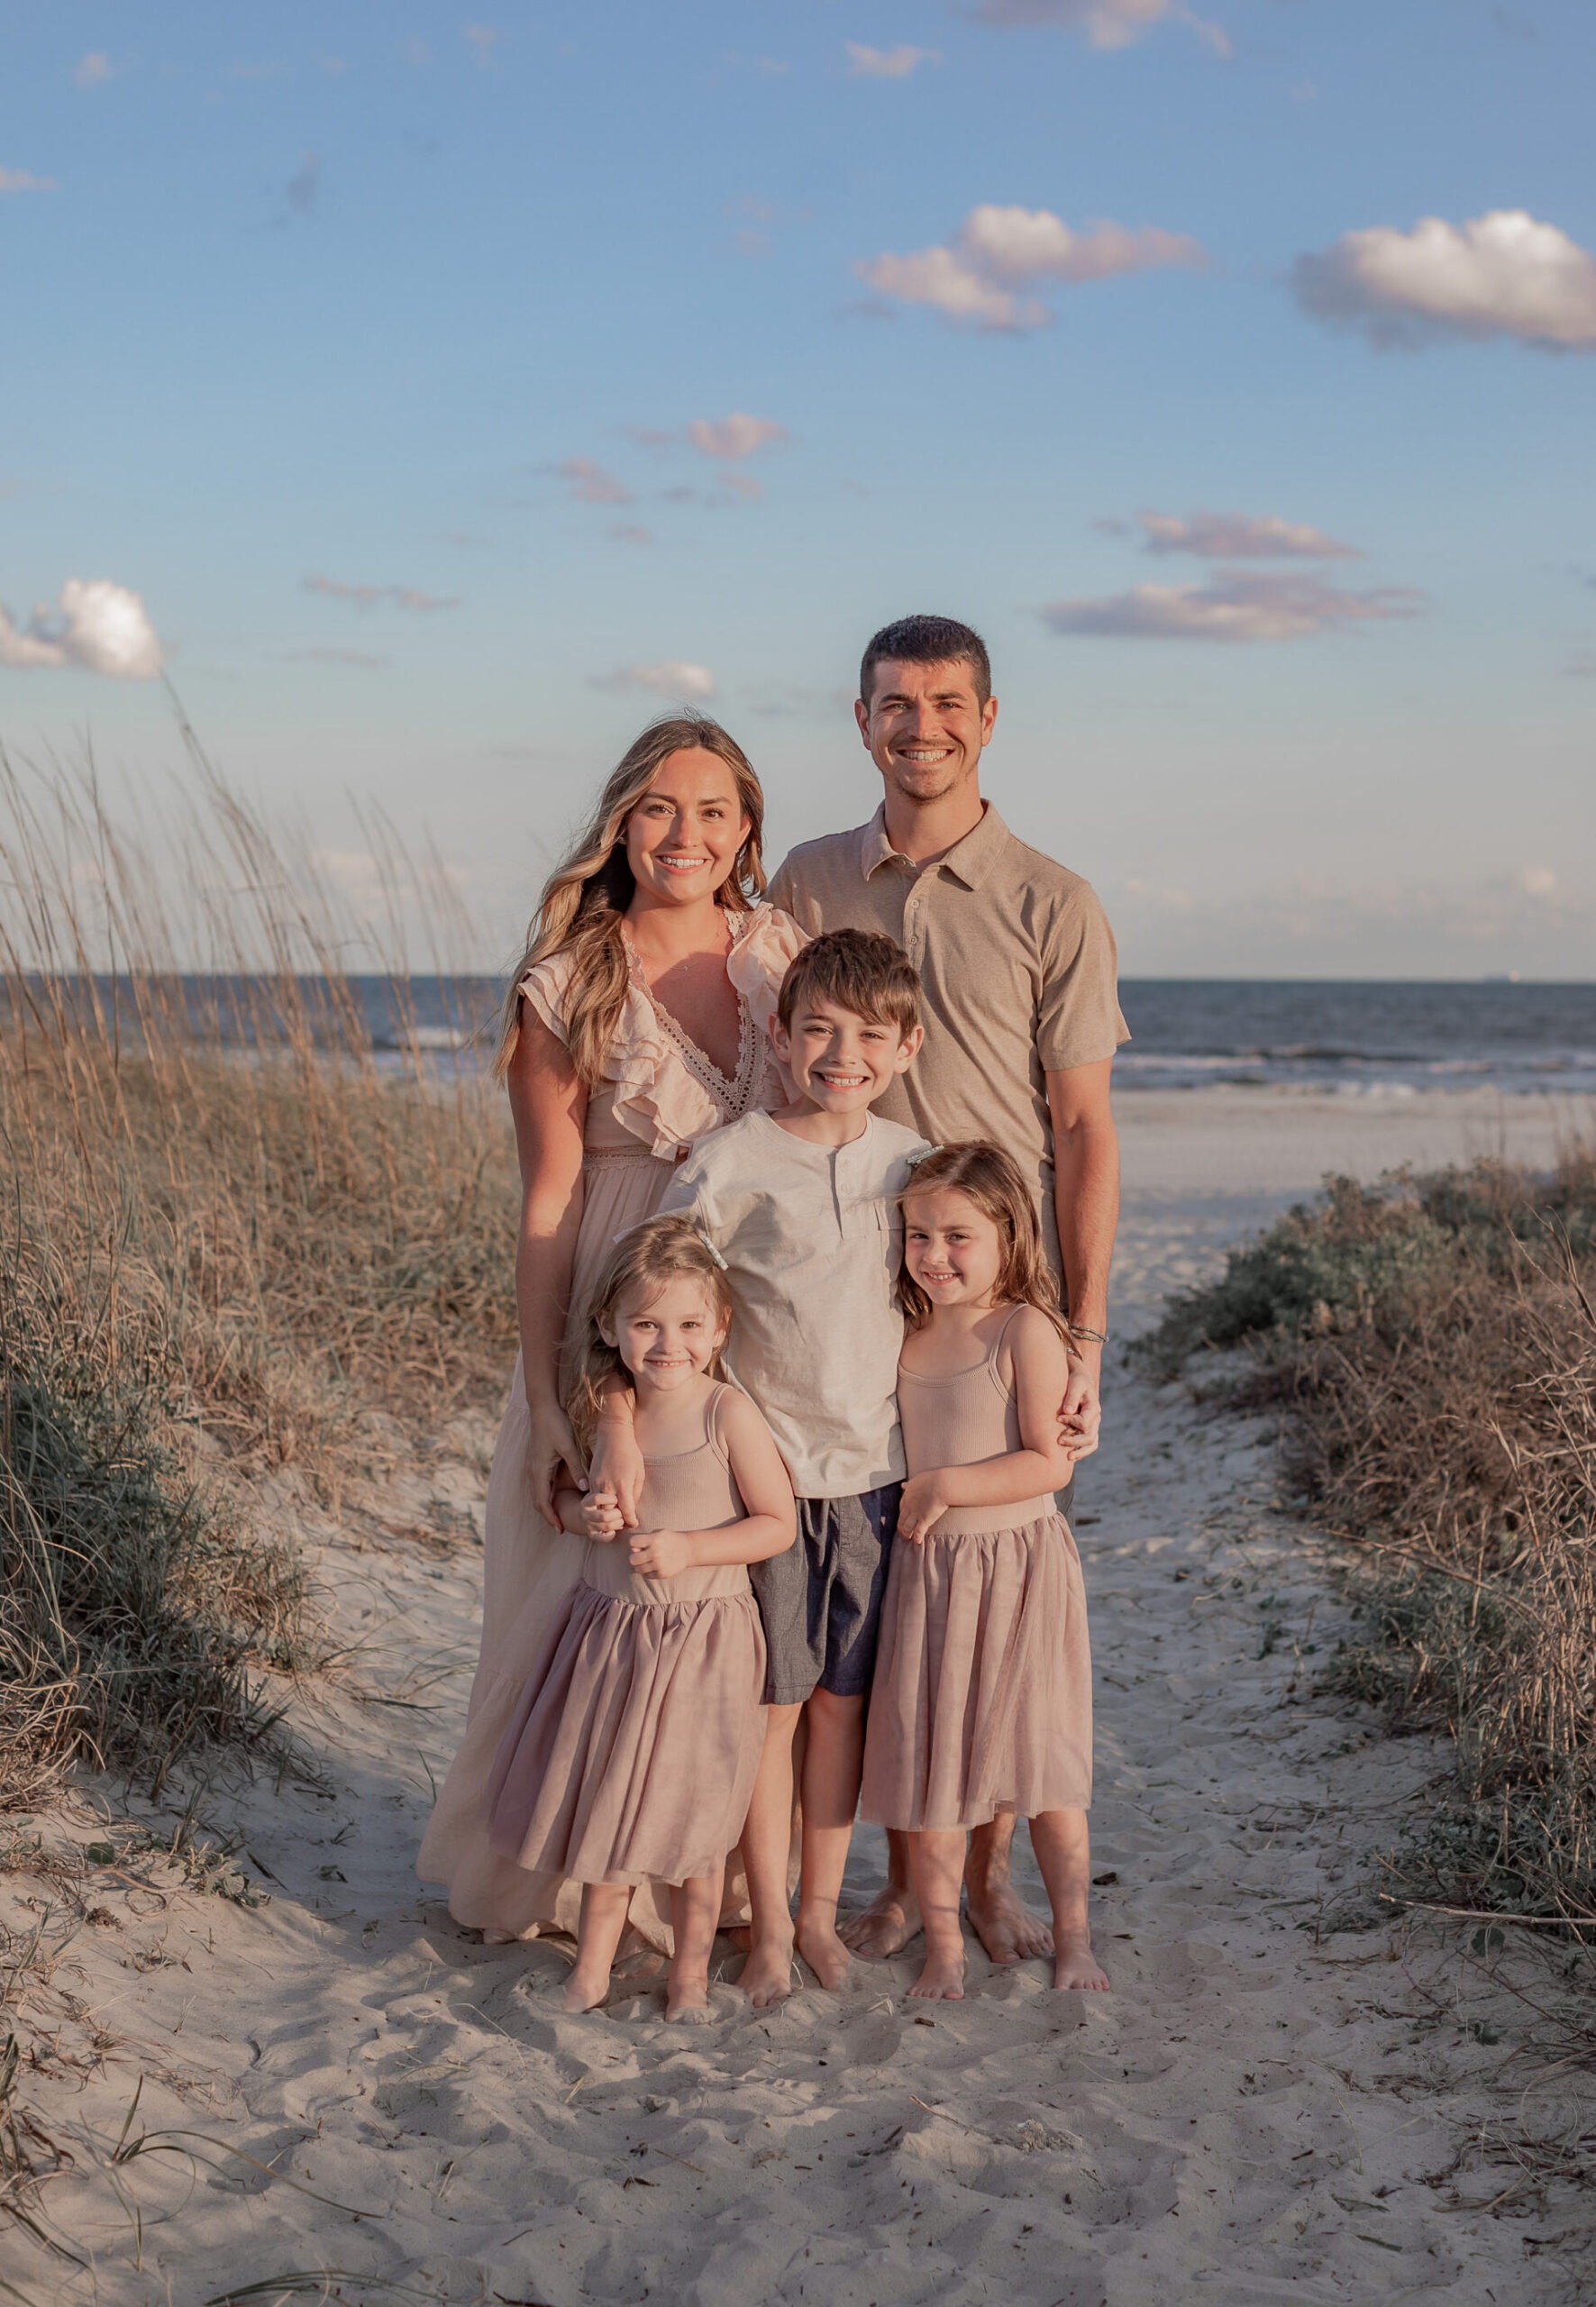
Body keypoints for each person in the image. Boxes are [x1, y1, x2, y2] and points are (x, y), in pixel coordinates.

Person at [766, 613, 1127, 1967]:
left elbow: (1084, 1130)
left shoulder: (1051, 898)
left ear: (988, 718)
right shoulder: (803, 880)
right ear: (858, 720)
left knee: (988, 1605)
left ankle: (978, 1892)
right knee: (870, 1604)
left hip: (988, 1301)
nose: (922, 727)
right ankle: (875, 1884)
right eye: (894, 705)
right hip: (844, 1297)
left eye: (946, 704)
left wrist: (1081, 1330)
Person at [417, 716, 806, 1949]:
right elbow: (548, 1206)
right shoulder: (570, 981)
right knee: (594, 1579)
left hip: (756, 1299)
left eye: (709, 811)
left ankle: (709, 1872)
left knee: (722, 1598)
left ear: (747, 830)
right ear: (618, 824)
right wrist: (550, 1402)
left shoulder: (784, 958)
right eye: (656, 808)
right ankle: (567, 1870)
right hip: (619, 1299)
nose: (682, 835)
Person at [652, 929, 930, 2003]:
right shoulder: (730, 1160)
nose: (839, 1051)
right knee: (769, 1708)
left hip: (876, 1479)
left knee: (841, 1710)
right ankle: (764, 1926)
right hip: (763, 1486)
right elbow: (671, 1293)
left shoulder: (907, 1162)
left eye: (868, 1034)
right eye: (816, 1027)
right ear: (778, 1032)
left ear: (905, 1046)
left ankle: (818, 1916)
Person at [486, 1217, 796, 2020]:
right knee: (608, 1805)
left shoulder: (727, 1414)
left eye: (690, 1324)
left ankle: (688, 1976)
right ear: (608, 1327)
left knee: (695, 1821)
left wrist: (692, 1548)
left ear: (720, 1327)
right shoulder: (602, 1414)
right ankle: (591, 1970)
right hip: (613, 1640)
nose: (668, 1344)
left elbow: (775, 1523)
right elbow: (557, 1499)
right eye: (647, 1324)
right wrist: (578, 1512)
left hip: (702, 1645)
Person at [860, 1144, 1107, 2001]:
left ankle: (1074, 1940)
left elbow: (1051, 1464)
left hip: (1017, 1571)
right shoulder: (905, 1329)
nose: (933, 1254)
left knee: (1042, 1768)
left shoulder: (1024, 1329)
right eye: (917, 1234)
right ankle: (943, 1950)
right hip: (931, 1582)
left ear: (1007, 1232)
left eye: (957, 1235)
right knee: (930, 1772)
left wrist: (944, 1484)